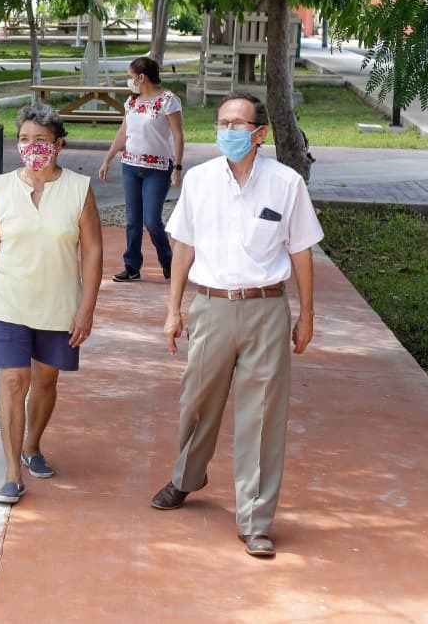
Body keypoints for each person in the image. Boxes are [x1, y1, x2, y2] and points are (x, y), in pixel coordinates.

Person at [151, 92, 322, 558]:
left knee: (263, 416)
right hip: (211, 307)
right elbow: (183, 246)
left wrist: (307, 315)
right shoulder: (200, 180)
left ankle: (256, 520)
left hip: (266, 309)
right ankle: (187, 476)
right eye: (222, 123)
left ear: (259, 133)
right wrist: (173, 309)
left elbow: (301, 250)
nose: (228, 131)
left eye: (238, 124)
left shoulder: (286, 184)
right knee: (197, 401)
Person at [0, 103, 102, 505]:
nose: (32, 147)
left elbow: (92, 251)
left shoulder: (79, 189)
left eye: (41, 140)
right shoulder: (1, 188)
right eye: (24, 139)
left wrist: (87, 308)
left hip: (59, 304)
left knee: (45, 381)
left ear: (58, 145)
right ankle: (12, 473)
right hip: (9, 302)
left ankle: (32, 445)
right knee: (12, 381)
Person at [98, 56, 184, 282]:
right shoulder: (132, 102)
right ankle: (132, 266)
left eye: (130, 76)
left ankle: (168, 261)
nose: (129, 80)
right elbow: (122, 132)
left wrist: (177, 167)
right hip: (130, 166)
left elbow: (178, 135)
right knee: (132, 219)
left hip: (158, 169)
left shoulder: (168, 100)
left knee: (152, 220)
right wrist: (107, 159)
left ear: (141, 78)